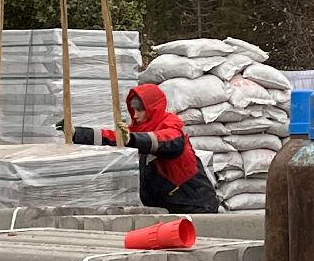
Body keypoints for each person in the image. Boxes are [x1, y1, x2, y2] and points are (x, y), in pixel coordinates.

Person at [69, 82, 220, 213]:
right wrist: (76, 133)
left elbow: (170, 141)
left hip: (195, 204)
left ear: (151, 109)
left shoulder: (171, 124)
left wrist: (132, 138)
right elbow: (112, 137)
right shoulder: (137, 130)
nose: (135, 115)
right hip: (168, 205)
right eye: (133, 110)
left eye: (139, 110)